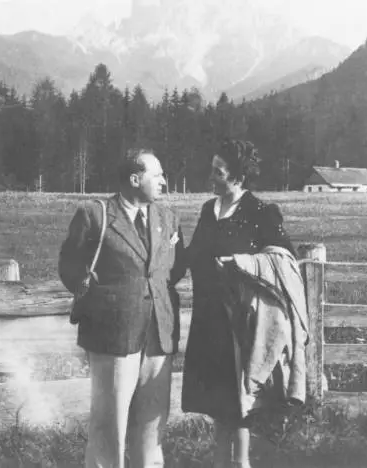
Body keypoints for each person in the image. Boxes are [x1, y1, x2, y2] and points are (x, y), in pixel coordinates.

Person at [182, 139, 307, 468]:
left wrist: (241, 262)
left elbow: (284, 261)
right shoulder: (208, 210)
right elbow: (193, 255)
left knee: (240, 405)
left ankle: (240, 464)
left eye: (218, 171)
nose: (211, 177)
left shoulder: (262, 212)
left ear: (238, 176)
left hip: (241, 321)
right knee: (219, 405)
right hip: (208, 318)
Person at [58, 149, 186, 468]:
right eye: (157, 176)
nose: (164, 183)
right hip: (112, 335)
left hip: (159, 333)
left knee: (152, 424)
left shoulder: (168, 218)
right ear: (134, 179)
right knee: (108, 425)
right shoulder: (95, 214)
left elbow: (176, 267)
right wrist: (103, 299)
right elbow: (70, 266)